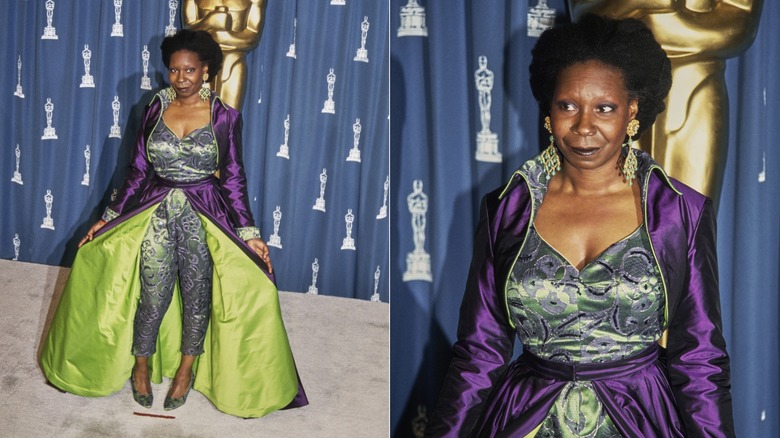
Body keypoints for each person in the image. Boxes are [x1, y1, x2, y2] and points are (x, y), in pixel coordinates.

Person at [426, 14, 732, 437]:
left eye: (604, 108)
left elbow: (700, 358)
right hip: (524, 418)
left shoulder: (680, 211)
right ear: (549, 112)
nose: (584, 126)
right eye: (568, 105)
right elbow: (479, 352)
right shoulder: (508, 208)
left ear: (632, 111)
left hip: (640, 418)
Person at [40, 29, 308, 418]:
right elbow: (135, 170)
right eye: (174, 70)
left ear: (206, 72)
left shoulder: (225, 117)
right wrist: (108, 219)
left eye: (189, 71)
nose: (180, 78)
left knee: (199, 295)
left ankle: (186, 369)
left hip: (204, 211)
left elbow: (233, 176)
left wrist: (250, 233)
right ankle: (142, 364)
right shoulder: (153, 108)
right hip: (156, 209)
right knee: (153, 292)